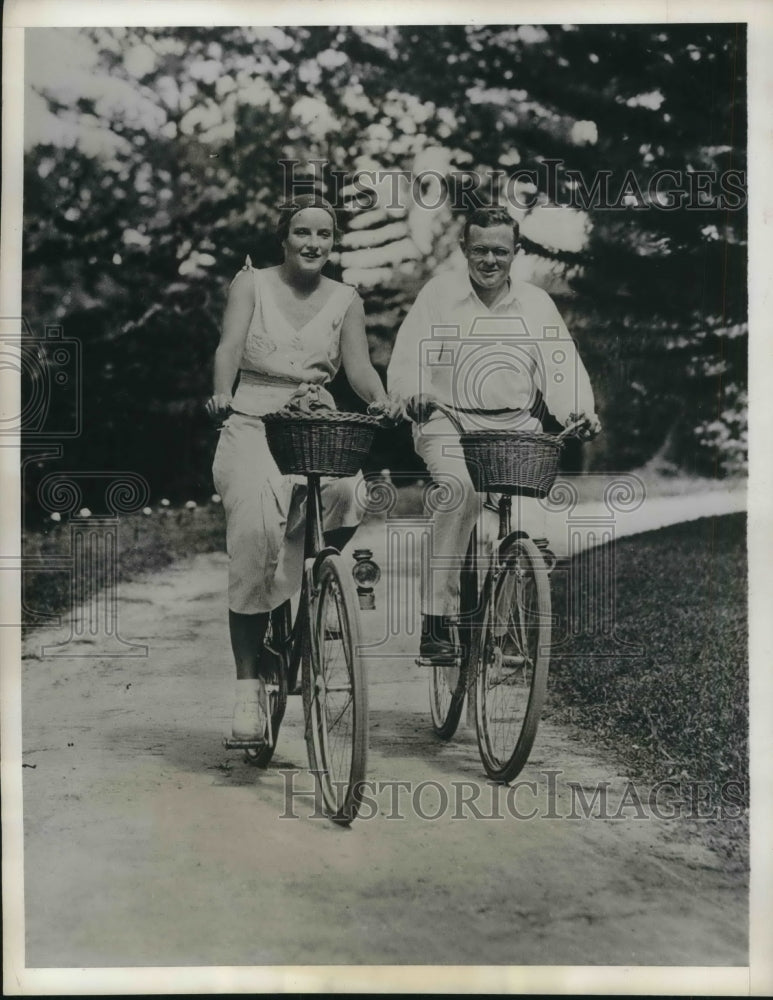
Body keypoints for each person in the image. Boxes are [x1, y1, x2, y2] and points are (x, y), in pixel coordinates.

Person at [207, 194, 400, 741]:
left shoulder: (346, 298)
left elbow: (359, 369)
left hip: (314, 423)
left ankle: (317, 583)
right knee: (252, 527)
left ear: (333, 243)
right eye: (302, 233)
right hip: (252, 421)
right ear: (283, 239)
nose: (314, 244)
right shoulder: (252, 284)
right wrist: (222, 392)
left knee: (349, 492)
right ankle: (248, 689)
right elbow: (229, 346)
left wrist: (379, 398)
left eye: (324, 235)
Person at [387, 205, 601, 658]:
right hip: (448, 420)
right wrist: (415, 395)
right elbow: (407, 361)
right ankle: (436, 620)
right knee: (458, 490)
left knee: (529, 527)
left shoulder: (535, 304)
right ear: (463, 248)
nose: (490, 260)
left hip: (514, 425)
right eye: (480, 249)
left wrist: (580, 412)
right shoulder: (438, 295)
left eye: (500, 251)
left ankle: (499, 627)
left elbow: (561, 368)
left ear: (516, 253)